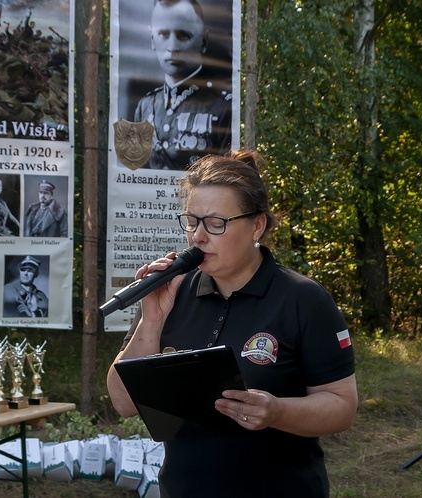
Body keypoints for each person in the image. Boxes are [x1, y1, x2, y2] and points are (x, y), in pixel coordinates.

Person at [106, 151, 358, 497]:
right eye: (192, 221)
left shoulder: (304, 299)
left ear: (257, 225)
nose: (197, 237)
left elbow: (342, 408)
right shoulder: (172, 291)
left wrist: (277, 411)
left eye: (215, 224)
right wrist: (152, 320)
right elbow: (123, 403)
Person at [130, 0, 233, 170]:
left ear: (203, 41)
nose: (172, 47)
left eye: (183, 35)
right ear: (152, 40)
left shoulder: (223, 107)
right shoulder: (145, 106)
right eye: (163, 34)